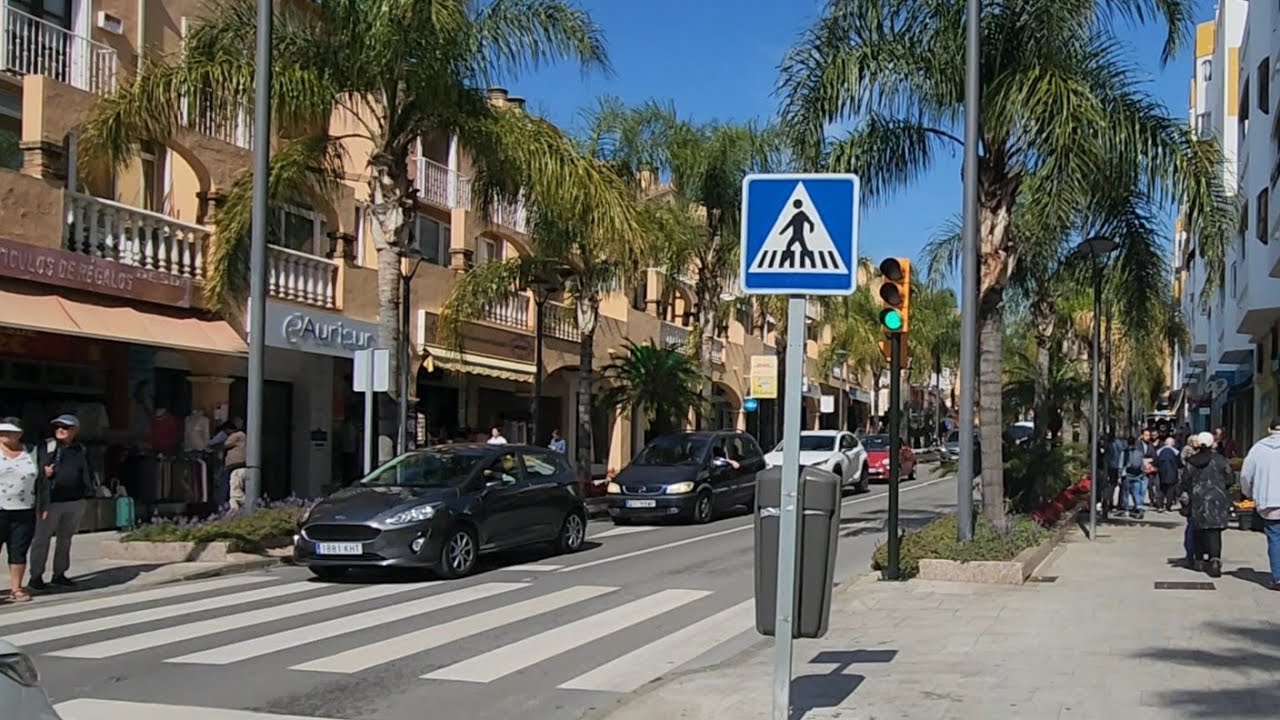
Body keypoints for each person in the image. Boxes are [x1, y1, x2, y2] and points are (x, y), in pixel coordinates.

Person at [29, 415, 95, 590]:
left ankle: (60, 574)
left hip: (75, 500)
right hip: (51, 501)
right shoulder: (46, 446)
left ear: (75, 430)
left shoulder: (81, 449)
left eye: (65, 427)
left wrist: (88, 492)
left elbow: (87, 471)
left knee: (65, 539)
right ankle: (35, 576)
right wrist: (44, 473)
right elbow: (34, 468)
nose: (60, 429)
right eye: (58, 426)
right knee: (42, 539)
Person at [0, 418, 47, 602]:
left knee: (18, 550)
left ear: (19, 434)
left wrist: (43, 504)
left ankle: (16, 588)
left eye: (8, 432)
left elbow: (42, 480)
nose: (4, 435)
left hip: (25, 508)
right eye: (2, 432)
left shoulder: (32, 451)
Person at [1179, 431, 1234, 578]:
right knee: (1214, 531)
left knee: (1198, 528)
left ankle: (1198, 560)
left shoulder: (1191, 461)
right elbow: (1230, 479)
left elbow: (1184, 481)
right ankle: (1214, 559)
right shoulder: (1220, 460)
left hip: (1197, 499)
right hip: (1217, 498)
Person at [1239, 417, 1280, 591]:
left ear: (1269, 430)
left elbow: (1245, 476)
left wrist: (1248, 493)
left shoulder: (1258, 449)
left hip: (1269, 502)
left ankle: (1278, 577)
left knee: (1275, 538)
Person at [221, 419, 247, 510]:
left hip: (237, 467)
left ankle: (252, 506)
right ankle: (234, 513)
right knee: (233, 496)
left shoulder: (237, 435)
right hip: (239, 467)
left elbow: (225, 444)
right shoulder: (242, 435)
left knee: (235, 493)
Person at [1155, 437, 1182, 513]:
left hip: (1161, 473)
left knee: (1161, 490)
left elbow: (1155, 462)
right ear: (1173, 443)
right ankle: (1168, 506)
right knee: (1170, 490)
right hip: (1172, 474)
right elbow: (1179, 464)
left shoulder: (1159, 451)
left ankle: (1160, 505)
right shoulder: (1176, 452)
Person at [1108, 433, 1128, 514]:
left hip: (1112, 466)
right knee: (1122, 486)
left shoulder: (1110, 443)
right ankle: (1120, 503)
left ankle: (1110, 503)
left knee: (1112, 485)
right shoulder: (1123, 444)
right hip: (1120, 466)